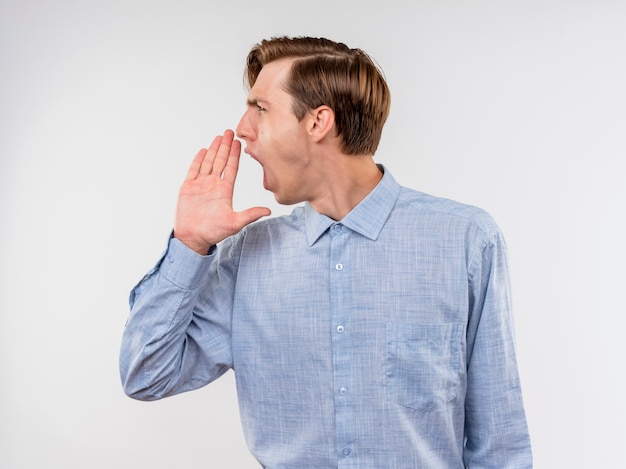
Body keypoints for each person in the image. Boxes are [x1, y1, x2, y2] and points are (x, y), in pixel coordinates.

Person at [119, 36, 532, 468]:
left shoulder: (465, 240)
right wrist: (189, 245)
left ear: (318, 122)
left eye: (260, 108)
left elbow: (500, 446)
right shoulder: (246, 259)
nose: (242, 129)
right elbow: (145, 374)